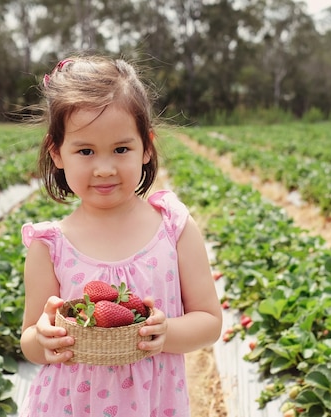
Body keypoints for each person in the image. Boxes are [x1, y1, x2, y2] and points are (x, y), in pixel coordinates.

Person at [18, 54, 223, 417]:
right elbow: (30, 341)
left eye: (121, 149)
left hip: (153, 403)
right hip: (69, 405)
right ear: (57, 153)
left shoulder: (174, 229)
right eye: (85, 151)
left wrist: (165, 333)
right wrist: (44, 336)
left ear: (146, 147)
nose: (104, 168)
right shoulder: (48, 246)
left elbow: (208, 321)